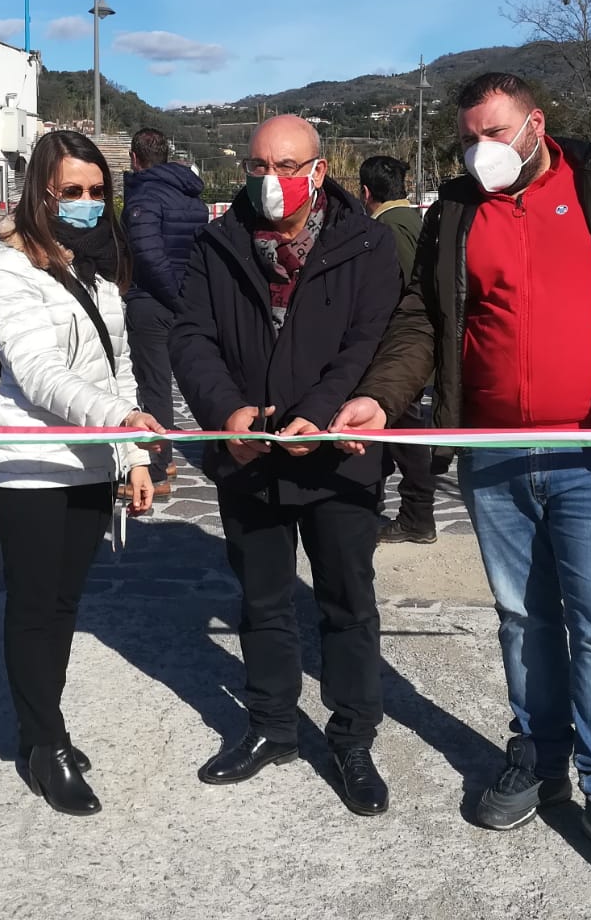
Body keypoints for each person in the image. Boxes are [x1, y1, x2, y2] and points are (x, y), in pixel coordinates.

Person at [332, 72, 591, 883]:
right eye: (470, 138)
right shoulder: (458, 211)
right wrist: (379, 395)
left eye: (497, 133)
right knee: (521, 620)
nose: (483, 152)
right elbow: (423, 319)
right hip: (496, 454)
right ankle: (537, 753)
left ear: (536, 123)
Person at [169, 114, 401, 816]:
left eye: (287, 166)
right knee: (262, 601)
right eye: (258, 167)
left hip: (337, 457)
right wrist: (226, 410)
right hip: (248, 455)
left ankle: (352, 737)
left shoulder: (368, 243)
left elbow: (372, 338)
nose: (272, 182)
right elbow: (191, 335)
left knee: (347, 602)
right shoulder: (217, 242)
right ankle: (271, 726)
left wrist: (326, 412)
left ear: (320, 170)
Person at [0, 129, 163, 817]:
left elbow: (118, 368)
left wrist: (131, 454)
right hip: (32, 461)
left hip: (92, 456)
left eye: (95, 192)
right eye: (71, 192)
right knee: (32, 608)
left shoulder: (94, 263)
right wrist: (117, 419)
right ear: (41, 193)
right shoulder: (6, 264)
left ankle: (42, 727)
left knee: (63, 607)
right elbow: (38, 373)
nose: (86, 204)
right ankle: (44, 745)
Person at [122, 127, 208, 495]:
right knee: (192, 381)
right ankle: (168, 455)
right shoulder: (192, 197)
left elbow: (148, 254)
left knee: (154, 387)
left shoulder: (144, 197)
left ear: (134, 158)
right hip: (187, 300)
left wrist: (172, 297)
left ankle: (156, 468)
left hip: (153, 302)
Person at [358, 155, 437, 543]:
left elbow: (405, 291)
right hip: (401, 354)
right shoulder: (411, 220)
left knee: (406, 438)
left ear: (365, 192)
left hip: (396, 355)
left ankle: (417, 516)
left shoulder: (389, 227)